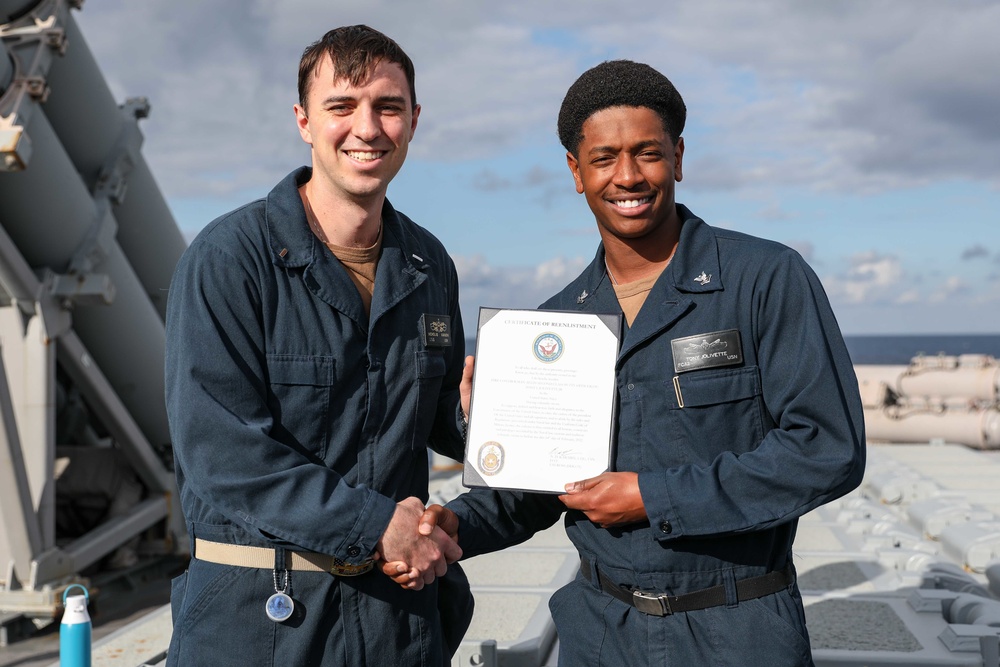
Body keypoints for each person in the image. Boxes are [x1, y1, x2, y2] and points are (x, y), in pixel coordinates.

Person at [391, 59, 866, 666]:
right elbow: (544, 488)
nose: (628, 176)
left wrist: (652, 496)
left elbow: (827, 448)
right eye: (604, 157)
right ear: (575, 171)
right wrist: (453, 525)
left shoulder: (765, 280)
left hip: (739, 630)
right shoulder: (556, 325)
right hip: (600, 634)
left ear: (679, 157)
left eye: (648, 153)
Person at [164, 25, 471, 666]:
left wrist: (483, 415)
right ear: (304, 121)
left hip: (393, 622)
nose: (367, 128)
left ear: (413, 121)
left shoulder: (427, 263)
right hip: (261, 621)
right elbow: (223, 454)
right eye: (342, 107)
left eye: (388, 107)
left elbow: (442, 419)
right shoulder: (229, 261)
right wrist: (377, 526)